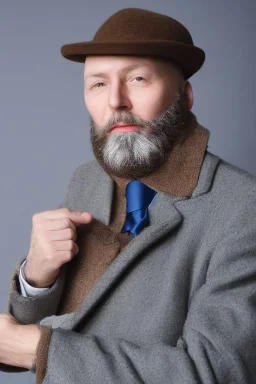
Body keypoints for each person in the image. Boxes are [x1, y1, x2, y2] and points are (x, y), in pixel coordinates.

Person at [0, 7, 256, 384]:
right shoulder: (86, 180)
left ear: (184, 95)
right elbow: (22, 333)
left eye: (137, 78)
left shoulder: (244, 208)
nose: (115, 101)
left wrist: (38, 350)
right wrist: (36, 276)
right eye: (98, 84)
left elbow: (215, 372)